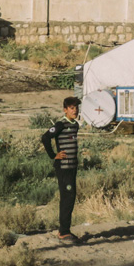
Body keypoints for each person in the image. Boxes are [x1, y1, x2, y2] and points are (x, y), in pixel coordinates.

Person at [42, 96, 82, 243]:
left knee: (71, 197)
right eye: (72, 108)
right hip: (63, 168)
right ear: (65, 110)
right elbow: (45, 138)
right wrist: (53, 155)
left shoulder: (75, 125)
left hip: (72, 167)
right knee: (67, 197)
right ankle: (63, 232)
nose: (75, 110)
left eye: (76, 107)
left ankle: (65, 230)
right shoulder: (60, 124)